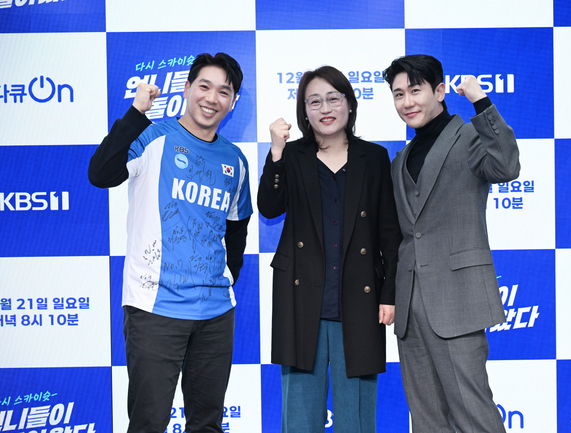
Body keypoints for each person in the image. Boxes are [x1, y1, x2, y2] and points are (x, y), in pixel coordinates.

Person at [88, 52, 252, 433]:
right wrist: (136, 113)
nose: (212, 98)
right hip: (154, 308)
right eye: (204, 86)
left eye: (224, 91)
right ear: (187, 88)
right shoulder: (151, 136)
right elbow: (100, 173)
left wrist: (224, 278)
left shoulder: (235, 160)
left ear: (233, 102)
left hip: (214, 313)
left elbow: (237, 228)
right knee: (148, 423)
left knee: (207, 424)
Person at [258, 65, 401, 433]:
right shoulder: (292, 155)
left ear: (349, 104)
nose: (325, 108)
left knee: (356, 418)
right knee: (300, 416)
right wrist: (276, 152)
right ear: (304, 112)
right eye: (314, 101)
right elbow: (269, 208)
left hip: (360, 298)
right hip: (301, 297)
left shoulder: (373, 157)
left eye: (333, 99)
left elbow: (389, 233)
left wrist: (390, 293)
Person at [382, 54, 520, 433]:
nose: (407, 102)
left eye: (415, 90)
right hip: (411, 305)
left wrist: (481, 102)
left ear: (440, 91)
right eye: (398, 94)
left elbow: (506, 166)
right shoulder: (401, 158)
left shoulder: (470, 136)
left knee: (473, 414)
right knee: (426, 418)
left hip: (457, 300)